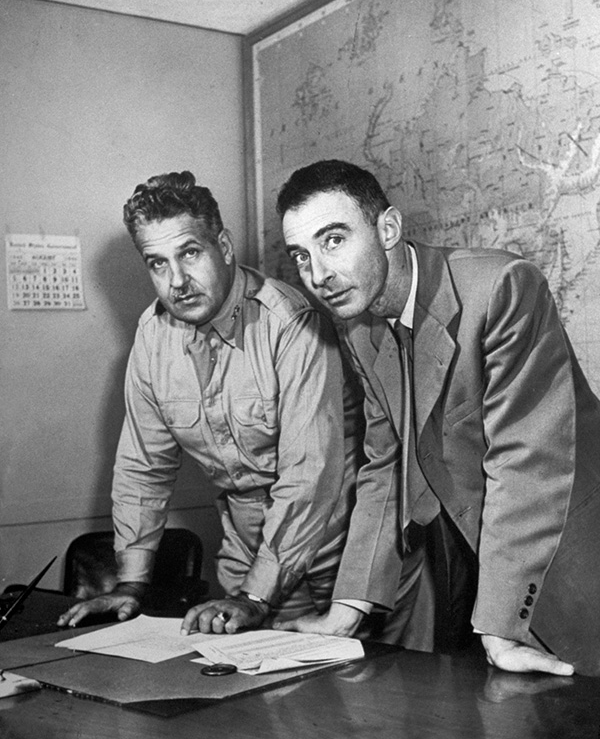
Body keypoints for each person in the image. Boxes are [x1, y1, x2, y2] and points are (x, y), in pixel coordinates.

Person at [275, 158, 600, 676]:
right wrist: (345, 611)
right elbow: (385, 464)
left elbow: (527, 465)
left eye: (333, 240)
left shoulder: (503, 287)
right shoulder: (357, 325)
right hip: (475, 556)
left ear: (387, 228)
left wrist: (498, 628)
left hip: (570, 546)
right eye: (301, 254)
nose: (317, 275)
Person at [58, 170, 367, 635]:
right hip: (248, 548)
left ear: (222, 247)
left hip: (341, 546)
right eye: (157, 263)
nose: (177, 281)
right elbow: (144, 467)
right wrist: (132, 584)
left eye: (189, 253)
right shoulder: (152, 339)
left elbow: (310, 477)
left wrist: (256, 595)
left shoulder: (292, 324)